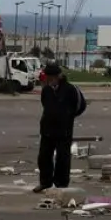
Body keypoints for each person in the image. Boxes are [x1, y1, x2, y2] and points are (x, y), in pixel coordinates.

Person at [34, 62, 85, 193]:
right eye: (47, 78)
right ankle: (45, 182)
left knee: (62, 158)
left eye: (51, 78)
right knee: (44, 157)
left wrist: (68, 116)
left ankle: (61, 184)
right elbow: (45, 104)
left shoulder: (70, 89)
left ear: (58, 76)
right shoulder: (46, 90)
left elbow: (80, 105)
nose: (49, 80)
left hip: (64, 130)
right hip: (47, 129)